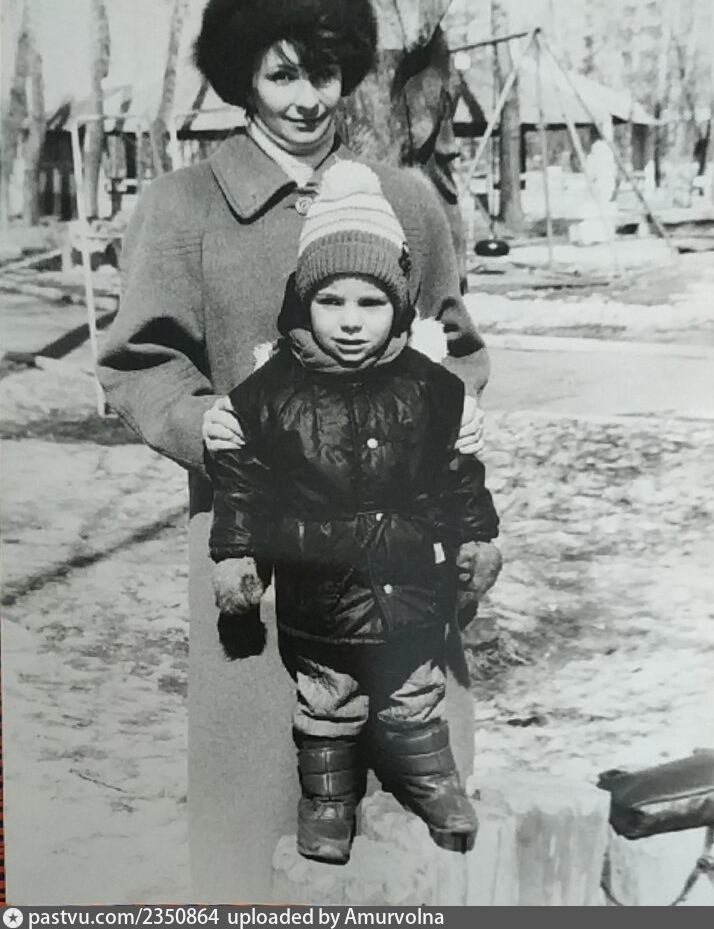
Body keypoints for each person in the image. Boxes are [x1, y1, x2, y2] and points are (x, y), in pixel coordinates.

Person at [97, 0, 491, 898]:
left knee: (413, 831)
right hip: (258, 557)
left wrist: (452, 421)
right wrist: (204, 422)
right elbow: (139, 362)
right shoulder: (184, 206)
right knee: (261, 828)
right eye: (282, 76)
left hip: (403, 561)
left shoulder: (408, 201)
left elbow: (457, 345)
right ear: (242, 77)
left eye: (325, 72)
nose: (308, 99)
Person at [207, 161, 501, 865]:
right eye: (329, 300)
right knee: (328, 700)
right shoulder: (271, 393)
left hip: (409, 584)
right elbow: (243, 483)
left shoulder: (431, 389)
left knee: (414, 691)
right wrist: (237, 555)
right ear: (302, 301)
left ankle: (431, 780)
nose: (348, 320)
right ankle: (327, 798)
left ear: (398, 304)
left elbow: (457, 474)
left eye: (370, 302)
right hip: (320, 589)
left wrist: (477, 537)